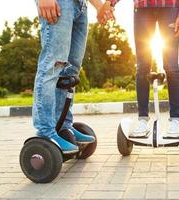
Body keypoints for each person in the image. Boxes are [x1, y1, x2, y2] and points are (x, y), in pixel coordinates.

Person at [99, 0, 179, 138]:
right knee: (142, 67)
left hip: (170, 7)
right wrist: (110, 3)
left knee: (171, 67)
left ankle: (175, 120)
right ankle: (142, 119)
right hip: (143, 7)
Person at [33, 0, 113, 153]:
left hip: (80, 6)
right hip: (59, 3)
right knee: (52, 65)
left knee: (70, 71)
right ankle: (45, 131)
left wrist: (98, 6)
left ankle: (63, 127)